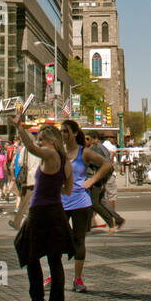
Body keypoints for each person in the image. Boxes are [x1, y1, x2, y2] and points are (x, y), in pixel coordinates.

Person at [11, 112, 75, 301]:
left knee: (29, 251)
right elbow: (68, 189)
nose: (39, 143)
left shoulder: (50, 154)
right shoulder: (65, 162)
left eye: (41, 139)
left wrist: (19, 127)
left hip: (40, 211)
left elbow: (30, 148)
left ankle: (38, 297)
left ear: (49, 141)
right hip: (56, 209)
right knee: (53, 257)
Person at [58, 121, 112, 290]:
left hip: (81, 201)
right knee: (56, 240)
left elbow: (107, 165)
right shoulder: (58, 152)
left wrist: (92, 181)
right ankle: (54, 276)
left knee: (79, 240)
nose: (63, 135)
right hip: (61, 201)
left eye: (66, 131)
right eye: (61, 132)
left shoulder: (84, 152)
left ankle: (77, 279)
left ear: (74, 133)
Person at [85, 128, 126, 231]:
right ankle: (117, 220)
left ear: (95, 139)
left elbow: (104, 164)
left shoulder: (96, 149)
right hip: (100, 178)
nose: (85, 141)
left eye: (87, 139)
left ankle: (111, 221)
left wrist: (87, 162)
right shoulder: (98, 148)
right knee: (100, 201)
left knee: (94, 203)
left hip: (97, 179)